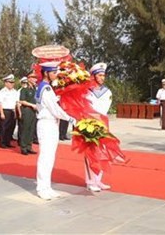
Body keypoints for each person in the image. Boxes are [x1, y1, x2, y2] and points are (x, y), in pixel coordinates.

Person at [36, 61, 75, 200]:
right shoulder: (45, 88)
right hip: (46, 123)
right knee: (45, 156)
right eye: (53, 72)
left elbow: (54, 103)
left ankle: (47, 186)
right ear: (46, 73)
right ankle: (41, 187)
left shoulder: (48, 88)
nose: (55, 75)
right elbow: (54, 109)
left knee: (50, 156)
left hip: (52, 124)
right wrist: (69, 118)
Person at [84, 62, 113, 192]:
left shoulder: (107, 92)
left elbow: (105, 108)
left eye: (103, 75)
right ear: (94, 76)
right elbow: (85, 107)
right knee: (90, 152)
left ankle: (98, 179)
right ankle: (90, 181)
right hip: (89, 124)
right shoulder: (86, 91)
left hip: (102, 123)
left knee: (102, 152)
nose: (102, 78)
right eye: (100, 75)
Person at [18, 72, 38, 155]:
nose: (35, 79)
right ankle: (23, 147)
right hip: (27, 110)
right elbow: (22, 101)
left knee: (31, 129)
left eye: (35, 78)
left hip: (33, 111)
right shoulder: (24, 89)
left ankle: (29, 146)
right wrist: (31, 105)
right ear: (29, 78)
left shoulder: (34, 89)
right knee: (25, 129)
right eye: (33, 77)